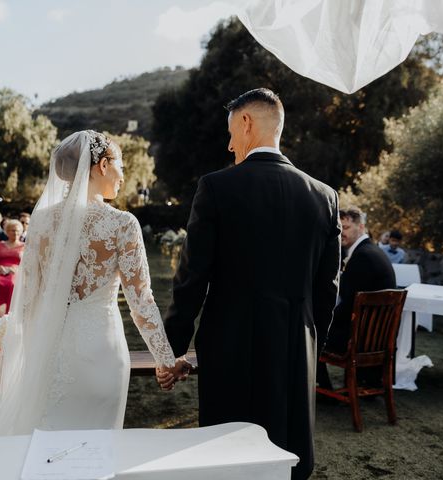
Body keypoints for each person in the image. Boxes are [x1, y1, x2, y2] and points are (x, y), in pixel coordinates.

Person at [159, 89, 341, 480]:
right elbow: (328, 290)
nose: (228, 145)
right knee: (286, 459)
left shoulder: (216, 188)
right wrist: (312, 347)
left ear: (246, 123)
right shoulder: (325, 198)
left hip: (231, 348)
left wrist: (169, 350)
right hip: (295, 350)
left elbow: (192, 280)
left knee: (227, 458)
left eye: (230, 132)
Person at [0, 130, 187, 436]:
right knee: (96, 449)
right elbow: (141, 300)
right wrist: (165, 360)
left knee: (45, 446)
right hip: (101, 353)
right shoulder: (122, 223)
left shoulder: (41, 222)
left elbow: (29, 299)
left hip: (49, 354)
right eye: (120, 165)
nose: (123, 175)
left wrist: (31, 354)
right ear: (103, 165)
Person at [323, 207, 396, 355]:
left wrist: (324, 319)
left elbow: (349, 304)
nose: (341, 232)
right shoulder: (370, 250)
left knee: (311, 332)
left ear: (361, 227)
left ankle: (318, 379)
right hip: (374, 336)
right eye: (339, 227)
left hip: (360, 340)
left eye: (346, 227)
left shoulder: (363, 257)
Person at [0, 219, 24, 319]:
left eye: (18, 230)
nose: (15, 232)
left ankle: (9, 316)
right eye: (13, 230)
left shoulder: (24, 246)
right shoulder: (0, 244)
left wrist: (16, 268)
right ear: (7, 231)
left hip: (15, 271)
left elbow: (26, 265)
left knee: (12, 283)